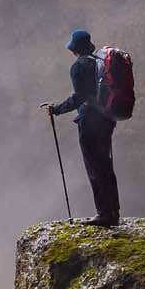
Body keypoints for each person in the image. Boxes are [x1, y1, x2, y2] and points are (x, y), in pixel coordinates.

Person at [42, 29, 121, 227]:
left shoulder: (79, 67)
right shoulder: (99, 63)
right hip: (107, 120)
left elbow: (80, 97)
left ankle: (104, 214)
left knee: (94, 167)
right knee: (106, 166)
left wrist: (57, 109)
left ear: (75, 49)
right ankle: (113, 212)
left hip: (90, 122)